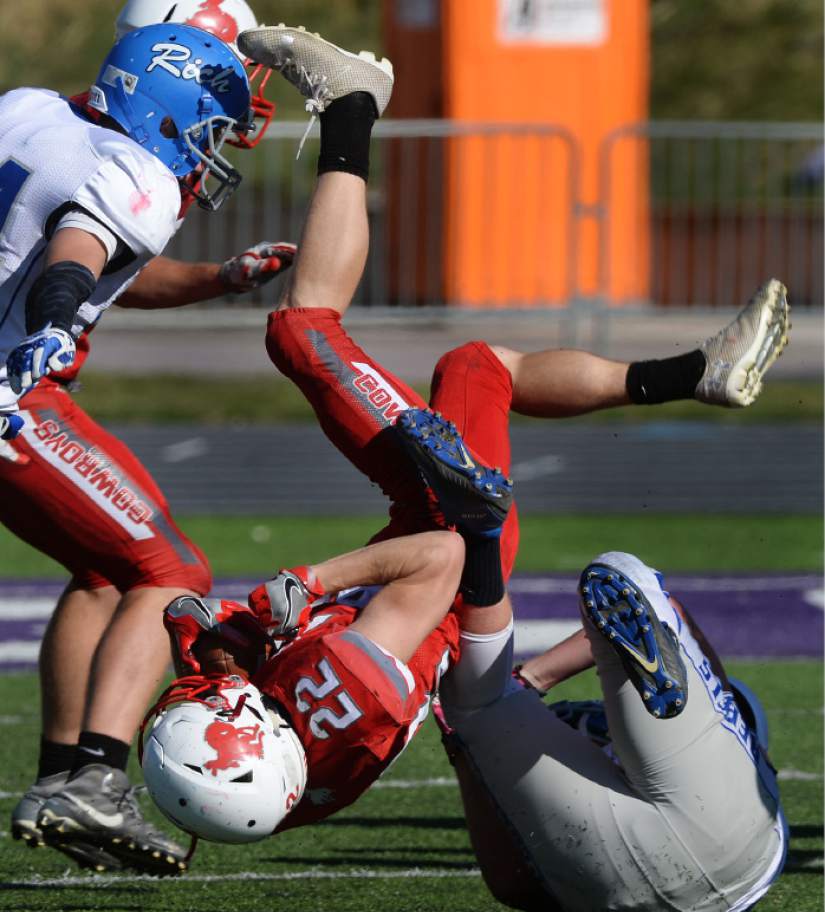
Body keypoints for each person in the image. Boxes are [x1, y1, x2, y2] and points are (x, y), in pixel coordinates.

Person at [108, 25, 788, 863]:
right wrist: (308, 581)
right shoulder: (339, 695)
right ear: (252, 745)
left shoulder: (274, 782)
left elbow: (217, 670)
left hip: (449, 587)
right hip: (451, 535)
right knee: (302, 334)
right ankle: (352, 103)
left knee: (474, 367)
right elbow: (433, 559)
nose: (204, 708)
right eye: (214, 721)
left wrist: (217, 647)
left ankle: (695, 373)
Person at [4, 17, 294, 876]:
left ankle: (64, 783)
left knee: (104, 569)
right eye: (206, 127)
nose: (210, 151)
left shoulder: (32, 111)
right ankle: (96, 779)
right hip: (12, 391)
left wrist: (217, 279)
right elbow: (80, 249)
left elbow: (95, 252)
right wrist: (54, 321)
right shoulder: (136, 170)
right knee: (171, 572)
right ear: (166, 109)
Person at [436, 554, 787, 912]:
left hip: (664, 852)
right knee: (470, 701)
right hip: (659, 900)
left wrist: (531, 678)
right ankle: (481, 539)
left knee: (622, 572)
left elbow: (670, 609)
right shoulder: (746, 774)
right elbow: (509, 885)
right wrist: (465, 747)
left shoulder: (735, 744)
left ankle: (484, 536)